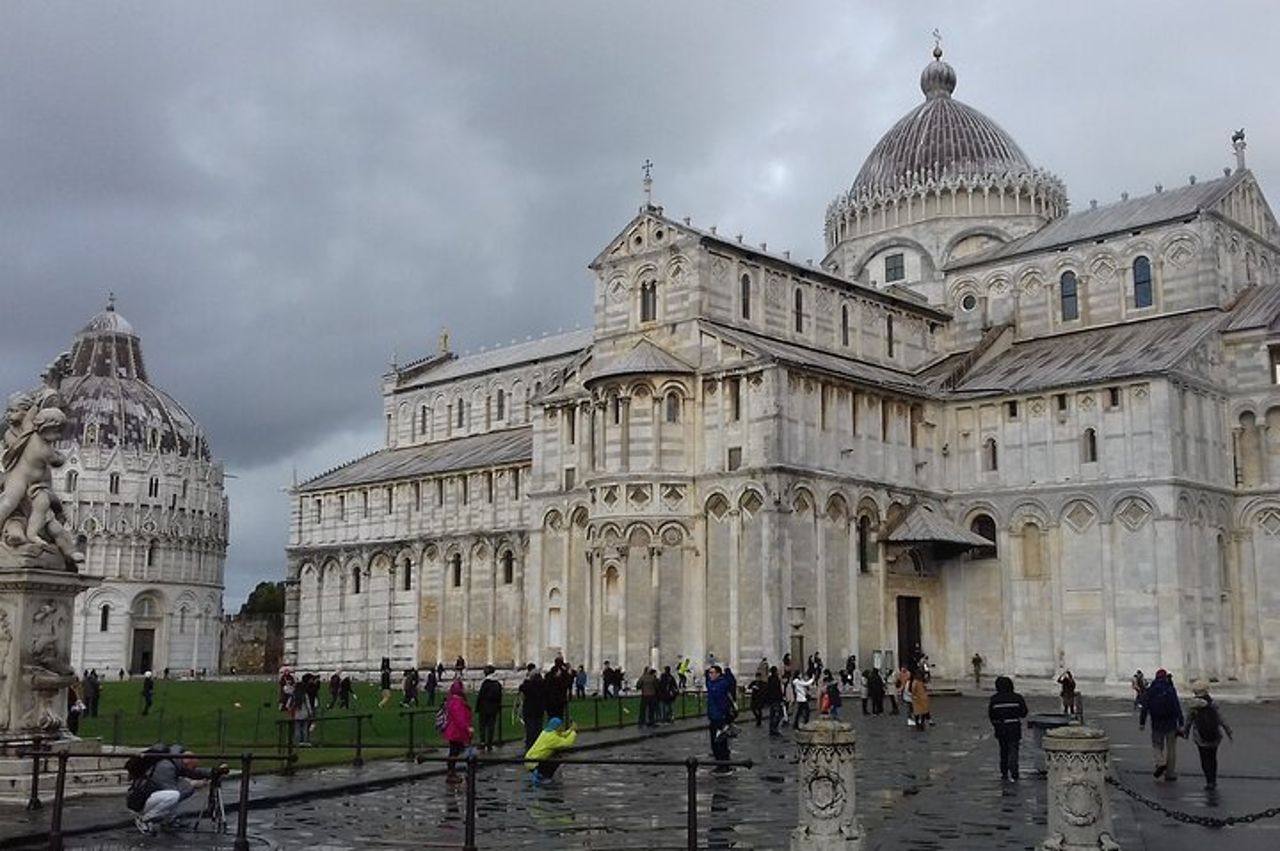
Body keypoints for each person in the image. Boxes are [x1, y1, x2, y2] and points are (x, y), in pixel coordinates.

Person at [129, 744, 216, 835]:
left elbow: (192, 772)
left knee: (182, 788)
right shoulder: (166, 767)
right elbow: (171, 791)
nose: (193, 769)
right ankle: (144, 819)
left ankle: (168, 820)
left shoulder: (174, 760)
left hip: (152, 796)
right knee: (174, 795)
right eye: (193, 767)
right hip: (142, 801)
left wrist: (211, 772)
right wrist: (192, 784)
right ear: (186, 763)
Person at [1181, 684, 1233, 790]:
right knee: (1213, 758)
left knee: (1204, 759)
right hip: (1215, 735)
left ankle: (1208, 780)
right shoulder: (1212, 703)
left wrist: (1185, 733)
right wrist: (1228, 731)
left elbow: (1188, 721)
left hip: (1200, 737)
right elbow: (1221, 719)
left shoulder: (1193, 705)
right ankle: (1213, 780)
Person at [1139, 668, 1183, 781]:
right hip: (1171, 723)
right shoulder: (1170, 689)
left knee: (1157, 745)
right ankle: (1170, 773)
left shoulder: (1151, 690)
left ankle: (1160, 762)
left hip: (1156, 722)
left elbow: (1145, 707)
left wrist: (1142, 722)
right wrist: (1181, 722)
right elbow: (1176, 706)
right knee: (1171, 748)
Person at [988, 675, 1029, 782]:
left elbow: (992, 715)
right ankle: (1014, 770)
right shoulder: (1017, 698)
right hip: (1014, 726)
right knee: (1013, 748)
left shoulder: (994, 699)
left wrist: (996, 725)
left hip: (1001, 727)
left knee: (1003, 749)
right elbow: (1024, 713)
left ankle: (1004, 771)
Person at [524, 717, 577, 785]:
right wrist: (574, 732)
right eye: (560, 726)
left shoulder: (546, 732)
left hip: (529, 760)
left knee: (555, 757)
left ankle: (541, 773)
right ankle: (543, 776)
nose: (562, 728)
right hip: (534, 763)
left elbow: (561, 734)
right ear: (557, 727)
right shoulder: (552, 738)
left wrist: (571, 729)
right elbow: (567, 743)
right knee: (557, 760)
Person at [443, 679, 473, 784]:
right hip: (456, 732)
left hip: (456, 731)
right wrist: (467, 728)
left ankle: (452, 772)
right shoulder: (457, 702)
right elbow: (460, 718)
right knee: (455, 752)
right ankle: (452, 773)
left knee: (455, 752)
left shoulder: (454, 701)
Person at [705, 665, 734, 772]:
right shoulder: (711, 684)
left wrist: (724, 716)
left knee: (720, 743)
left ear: (718, 674)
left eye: (712, 673)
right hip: (713, 717)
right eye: (710, 673)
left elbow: (724, 702)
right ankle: (720, 764)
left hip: (720, 718)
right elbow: (707, 679)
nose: (710, 675)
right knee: (715, 743)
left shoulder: (722, 684)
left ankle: (724, 765)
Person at [476, 665, 503, 752]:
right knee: (491, 726)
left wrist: (477, 707)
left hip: (484, 707)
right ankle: (489, 744)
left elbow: (481, 696)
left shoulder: (486, 683)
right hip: (493, 708)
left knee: (482, 726)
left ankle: (483, 742)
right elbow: (500, 696)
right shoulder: (497, 684)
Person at [519, 670, 547, 751]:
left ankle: (530, 745)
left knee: (530, 729)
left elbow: (521, 688)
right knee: (538, 728)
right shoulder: (543, 685)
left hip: (529, 710)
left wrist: (526, 680)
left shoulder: (528, 685)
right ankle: (538, 744)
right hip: (539, 709)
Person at [765, 666, 784, 736]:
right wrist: (781, 699)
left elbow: (767, 690)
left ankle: (771, 729)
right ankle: (774, 728)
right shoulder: (776, 680)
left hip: (771, 700)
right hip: (776, 700)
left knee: (772, 715)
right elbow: (778, 690)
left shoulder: (769, 679)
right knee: (779, 714)